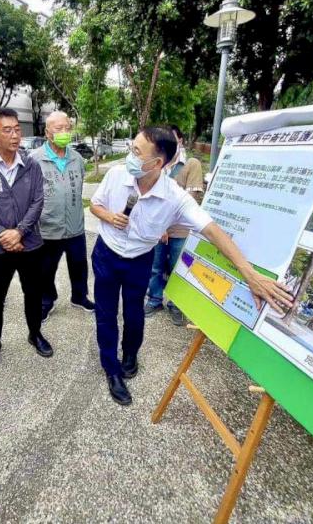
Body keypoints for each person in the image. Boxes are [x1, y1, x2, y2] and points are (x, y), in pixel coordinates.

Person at [90, 127, 293, 405]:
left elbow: (211, 230)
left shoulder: (174, 197)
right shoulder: (116, 175)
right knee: (105, 313)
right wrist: (109, 217)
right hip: (107, 254)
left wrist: (249, 273)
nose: (130, 156)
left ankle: (130, 355)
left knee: (134, 312)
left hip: (140, 259)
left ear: (157, 163)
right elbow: (95, 205)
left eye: (136, 152)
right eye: (132, 148)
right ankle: (111, 370)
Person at [0, 107, 53, 370]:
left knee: (33, 293)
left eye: (17, 129)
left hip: (30, 243)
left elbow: (38, 201)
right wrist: (2, 234)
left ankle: (35, 334)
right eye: (7, 130)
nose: (15, 135)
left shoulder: (31, 165)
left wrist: (20, 231)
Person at [31, 111, 95, 322]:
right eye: (59, 128)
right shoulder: (34, 159)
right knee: (45, 269)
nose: (64, 132)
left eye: (68, 128)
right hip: (47, 227)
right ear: (47, 132)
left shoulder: (77, 158)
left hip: (75, 225)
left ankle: (79, 296)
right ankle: (46, 301)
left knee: (79, 265)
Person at [145, 125, 204, 326]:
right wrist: (160, 226)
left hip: (181, 231)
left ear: (180, 140)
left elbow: (192, 199)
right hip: (158, 229)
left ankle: (176, 305)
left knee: (179, 269)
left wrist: (166, 221)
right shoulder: (159, 164)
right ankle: (154, 299)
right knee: (155, 267)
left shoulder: (191, 164)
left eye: (173, 138)